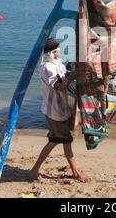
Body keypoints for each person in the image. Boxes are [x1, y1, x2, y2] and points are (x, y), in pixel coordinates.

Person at [29, 38, 88, 183]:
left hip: (60, 110)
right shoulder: (47, 68)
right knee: (66, 140)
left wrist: (76, 72)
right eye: (54, 52)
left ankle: (34, 170)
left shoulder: (58, 65)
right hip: (54, 111)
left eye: (58, 51)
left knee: (54, 141)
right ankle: (75, 172)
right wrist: (73, 76)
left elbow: (66, 76)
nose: (57, 54)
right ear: (49, 54)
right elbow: (59, 86)